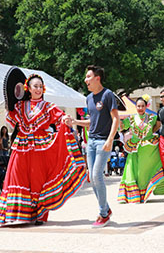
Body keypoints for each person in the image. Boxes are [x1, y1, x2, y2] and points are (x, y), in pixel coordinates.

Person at [0, 74, 87, 225]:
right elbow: (11, 119)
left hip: (40, 147)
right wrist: (8, 107)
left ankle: (40, 213)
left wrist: (65, 119)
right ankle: (16, 213)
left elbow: (60, 116)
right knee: (17, 176)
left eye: (41, 86)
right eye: (36, 86)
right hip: (21, 146)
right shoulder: (20, 106)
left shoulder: (48, 106)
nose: (38, 89)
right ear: (28, 88)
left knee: (37, 179)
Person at [70, 65, 119, 228]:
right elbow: (92, 121)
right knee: (92, 178)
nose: (85, 80)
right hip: (90, 142)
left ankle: (103, 214)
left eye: (88, 77)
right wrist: (76, 122)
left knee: (97, 175)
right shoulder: (89, 98)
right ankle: (106, 210)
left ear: (97, 78)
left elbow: (116, 119)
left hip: (103, 142)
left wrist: (110, 139)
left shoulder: (108, 94)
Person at [118, 95, 164, 203]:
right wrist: (116, 117)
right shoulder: (131, 118)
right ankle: (135, 195)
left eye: (142, 106)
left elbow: (159, 125)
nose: (140, 108)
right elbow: (122, 127)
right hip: (135, 149)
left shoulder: (152, 117)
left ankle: (148, 192)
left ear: (146, 106)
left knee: (146, 172)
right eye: (138, 106)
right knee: (134, 172)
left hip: (149, 148)